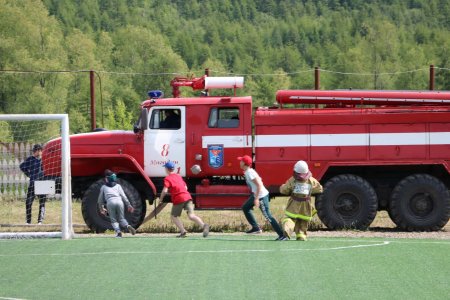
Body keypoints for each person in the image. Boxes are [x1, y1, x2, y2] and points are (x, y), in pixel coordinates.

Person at [238, 155, 287, 241]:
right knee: (245, 207)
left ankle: (282, 235)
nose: (239, 162)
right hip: (257, 194)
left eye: (241, 161)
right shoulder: (247, 171)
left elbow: (259, 185)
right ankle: (256, 228)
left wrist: (256, 198)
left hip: (261, 196)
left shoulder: (250, 173)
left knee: (268, 216)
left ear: (244, 164)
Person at [160, 161, 209, 238]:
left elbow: (165, 190)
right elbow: (186, 187)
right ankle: (204, 225)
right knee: (191, 216)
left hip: (179, 198)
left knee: (173, 216)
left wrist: (161, 198)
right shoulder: (178, 176)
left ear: (166, 169)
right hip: (187, 196)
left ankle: (183, 231)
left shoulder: (167, 178)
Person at [280, 160, 323, 241]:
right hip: (306, 206)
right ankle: (301, 236)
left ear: (296, 170)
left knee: (290, 219)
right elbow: (319, 189)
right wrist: (311, 190)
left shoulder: (292, 180)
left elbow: (284, 190)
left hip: (294, 205)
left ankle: (287, 230)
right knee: (303, 223)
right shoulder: (311, 180)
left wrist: (281, 187)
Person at [97, 169, 136, 238]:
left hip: (110, 202)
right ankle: (128, 226)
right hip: (120, 202)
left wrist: (101, 208)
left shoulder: (103, 187)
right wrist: (129, 205)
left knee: (113, 219)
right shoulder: (118, 186)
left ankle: (118, 233)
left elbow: (100, 200)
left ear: (106, 179)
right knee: (121, 219)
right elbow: (124, 196)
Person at [20, 144, 46, 224]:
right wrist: (29, 174)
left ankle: (40, 221)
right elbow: (22, 166)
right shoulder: (30, 159)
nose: (40, 152)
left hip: (42, 183)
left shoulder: (44, 159)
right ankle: (28, 221)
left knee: (42, 202)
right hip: (33, 183)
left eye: (40, 151)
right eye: (38, 151)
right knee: (28, 202)